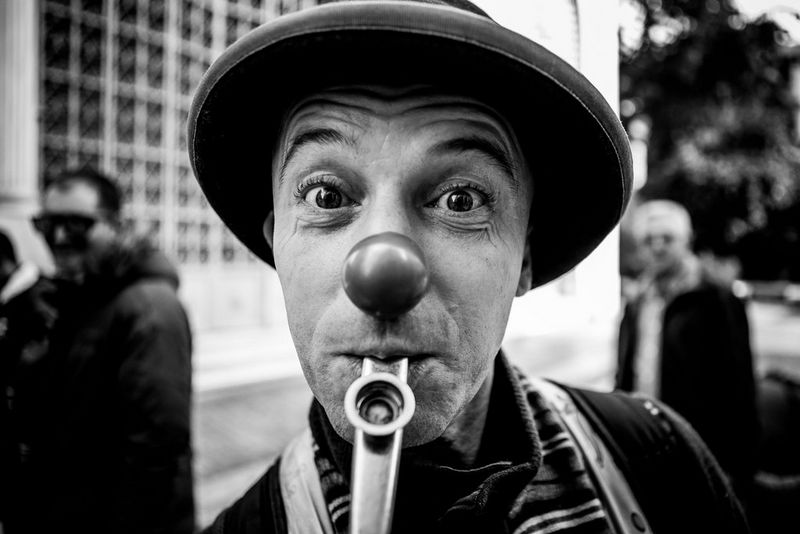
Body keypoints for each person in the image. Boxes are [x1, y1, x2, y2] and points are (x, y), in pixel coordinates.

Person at [188, 1, 750, 532]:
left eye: (461, 200)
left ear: (524, 257)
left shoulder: (659, 464)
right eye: (327, 197)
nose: (383, 273)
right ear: (277, 245)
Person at [0, 169, 195, 533]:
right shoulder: (74, 295)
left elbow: (154, 454)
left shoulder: (149, 307)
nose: (58, 238)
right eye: (47, 224)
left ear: (114, 225)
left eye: (76, 225)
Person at [616, 200, 758, 503]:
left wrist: (740, 464)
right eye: (648, 240)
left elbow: (739, 382)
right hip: (646, 438)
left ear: (687, 240)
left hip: (701, 442)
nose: (657, 246)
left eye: (667, 238)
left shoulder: (715, 296)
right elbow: (626, 370)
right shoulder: (639, 298)